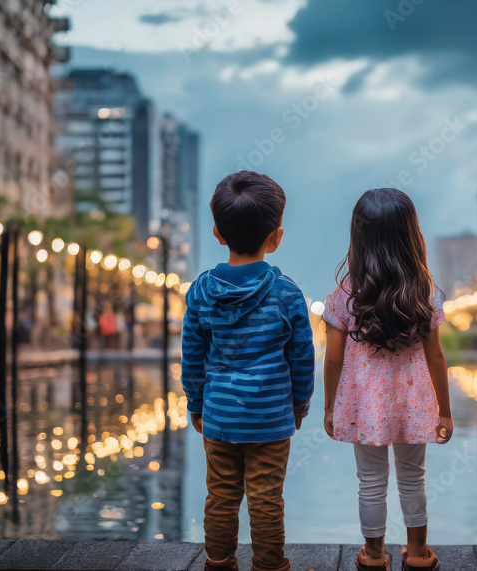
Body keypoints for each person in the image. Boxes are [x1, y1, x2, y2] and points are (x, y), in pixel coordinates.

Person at [181, 171, 315, 571]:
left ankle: (219, 562)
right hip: (272, 418)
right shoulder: (286, 293)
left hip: (220, 414)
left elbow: (191, 355)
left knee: (220, 495)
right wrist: (300, 404)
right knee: (266, 498)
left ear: (219, 233)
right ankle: (269, 565)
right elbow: (302, 357)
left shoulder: (201, 291)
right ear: (275, 237)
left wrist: (196, 403)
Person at [322, 188, 453, 571]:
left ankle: (375, 555)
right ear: (411, 236)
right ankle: (416, 554)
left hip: (364, 406)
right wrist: (444, 412)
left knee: (370, 481)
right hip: (414, 405)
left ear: (358, 238)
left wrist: (331, 408)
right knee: (414, 479)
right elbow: (437, 357)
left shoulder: (345, 296)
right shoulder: (424, 294)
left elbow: (333, 358)